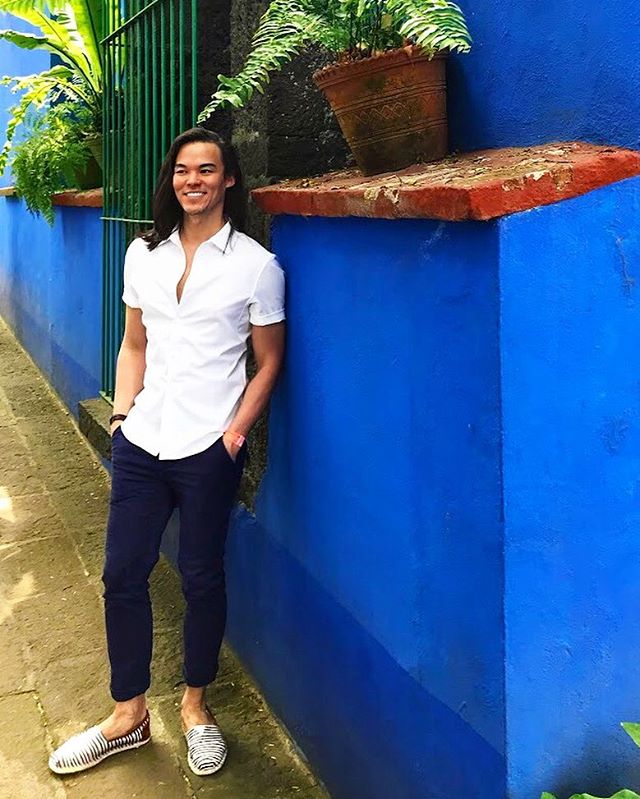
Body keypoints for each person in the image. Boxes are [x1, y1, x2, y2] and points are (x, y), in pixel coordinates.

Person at [48, 127, 286, 777]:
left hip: (208, 445)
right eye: (183, 170)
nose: (194, 180)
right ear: (171, 179)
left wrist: (233, 434)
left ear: (228, 179)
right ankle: (127, 715)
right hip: (143, 438)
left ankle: (195, 707)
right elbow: (134, 345)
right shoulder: (142, 255)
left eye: (207, 169)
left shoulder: (255, 266)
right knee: (122, 571)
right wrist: (122, 417)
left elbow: (268, 362)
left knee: (202, 575)